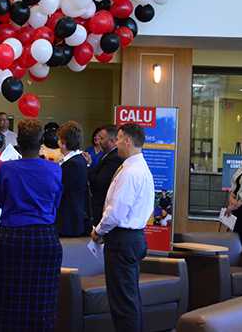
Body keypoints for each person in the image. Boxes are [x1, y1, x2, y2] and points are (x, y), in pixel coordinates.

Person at [0, 119, 62, 331]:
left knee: (6, 298)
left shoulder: (6, 169)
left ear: (19, 144)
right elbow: (56, 203)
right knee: (43, 300)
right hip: (44, 239)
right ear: (41, 142)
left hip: (10, 237)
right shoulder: (55, 169)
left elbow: (1, 201)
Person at [91, 124, 154, 332]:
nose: (115, 143)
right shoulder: (139, 168)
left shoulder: (131, 172)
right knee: (129, 298)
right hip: (133, 238)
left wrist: (99, 231)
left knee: (122, 303)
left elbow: (116, 212)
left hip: (122, 240)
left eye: (118, 138)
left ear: (127, 140)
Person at [56, 121, 89, 236]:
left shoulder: (72, 164)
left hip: (68, 219)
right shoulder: (77, 160)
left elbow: (61, 189)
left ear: (64, 142)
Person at [88, 125, 123, 227]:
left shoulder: (114, 158)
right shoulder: (107, 155)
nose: (99, 142)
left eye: (102, 139)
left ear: (112, 141)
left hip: (103, 207)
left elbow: (99, 182)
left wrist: (89, 167)